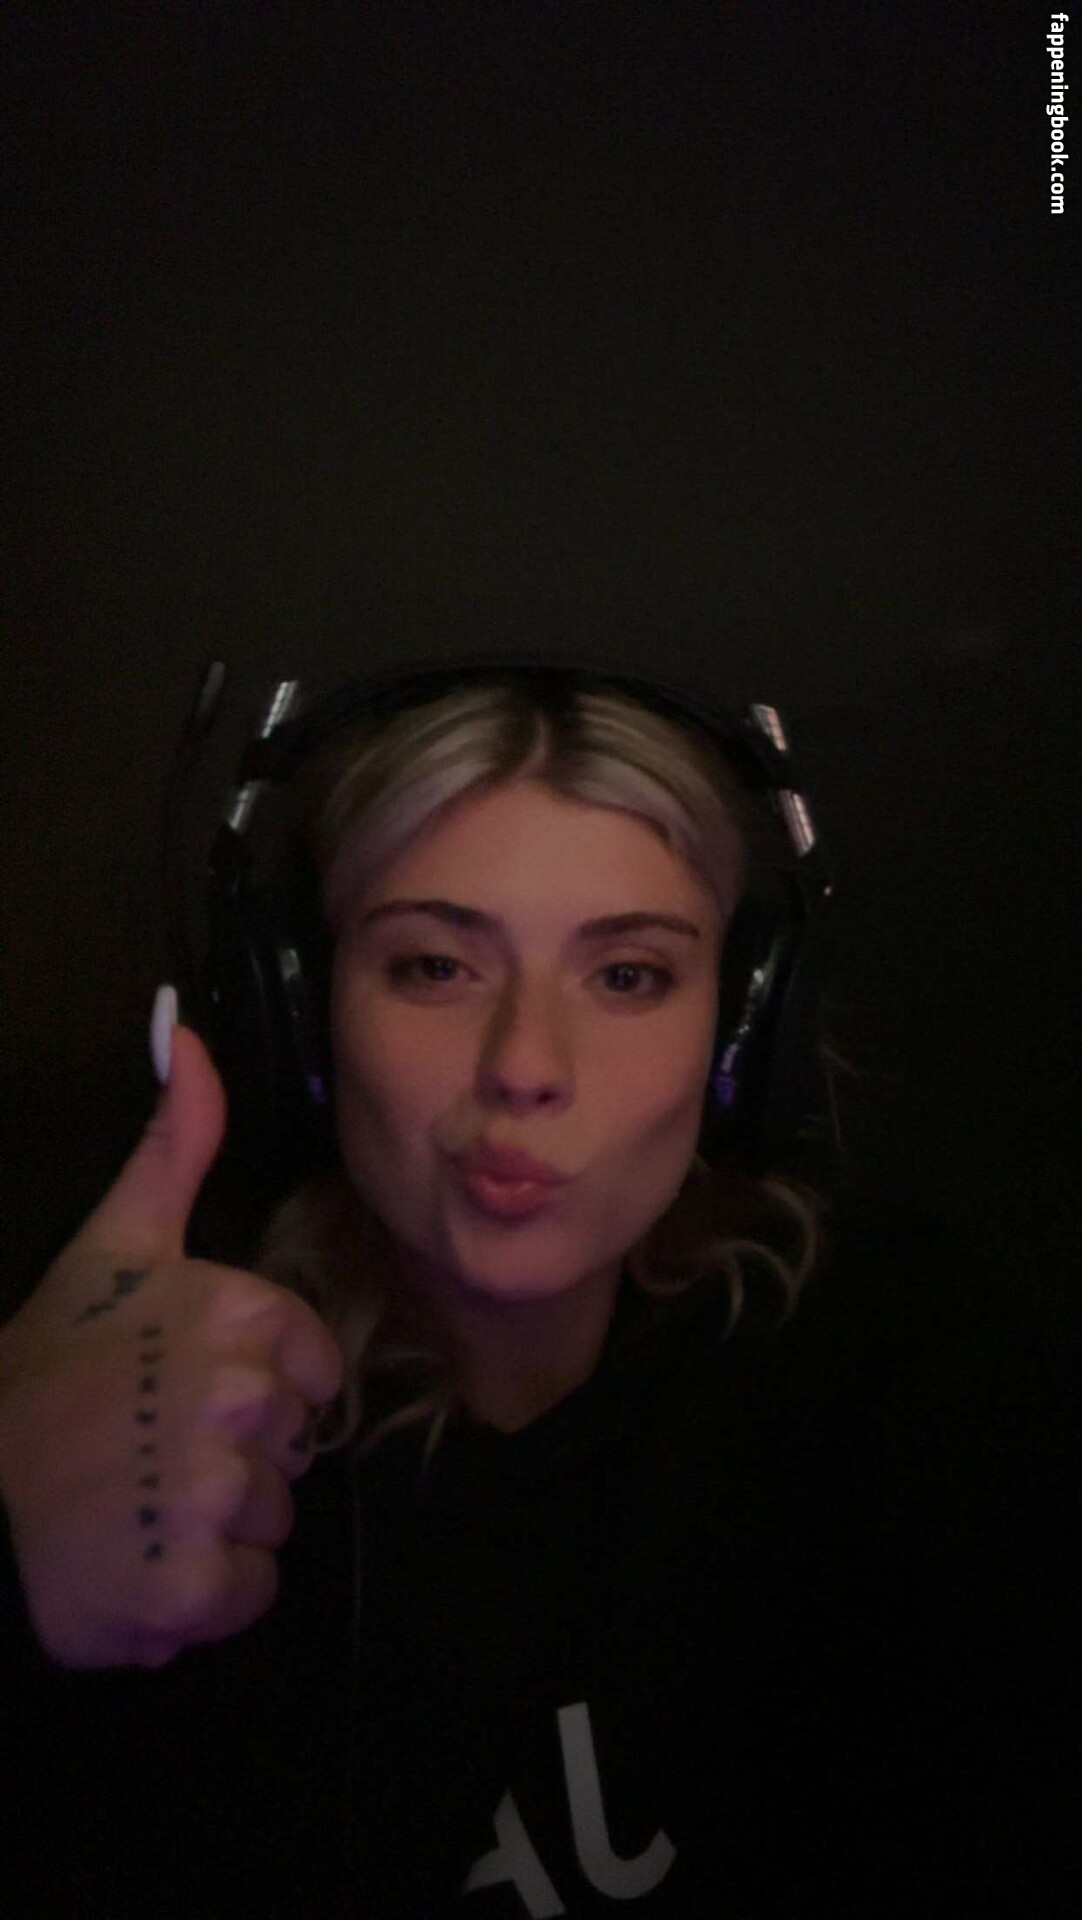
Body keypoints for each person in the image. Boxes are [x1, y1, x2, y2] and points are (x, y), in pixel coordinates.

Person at [0, 666, 1046, 1916]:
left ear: (739, 1040)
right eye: (435, 966)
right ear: (303, 1017)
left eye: (628, 976)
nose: (525, 1067)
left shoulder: (906, 1379)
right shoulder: (132, 1408)